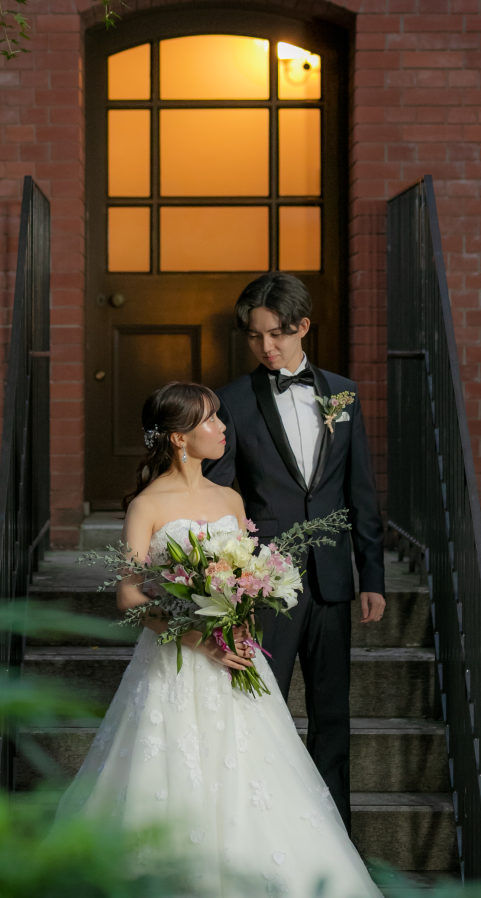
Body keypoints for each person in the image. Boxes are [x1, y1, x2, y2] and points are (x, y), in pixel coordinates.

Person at [55, 381, 381, 898]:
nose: (223, 427)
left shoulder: (230, 498)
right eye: (210, 419)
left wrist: (247, 609)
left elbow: (248, 574)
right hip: (176, 664)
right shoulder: (147, 506)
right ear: (180, 439)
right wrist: (195, 638)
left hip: (237, 659)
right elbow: (129, 596)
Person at [203, 271, 386, 832]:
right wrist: (229, 587)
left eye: (277, 335)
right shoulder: (232, 400)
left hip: (332, 579)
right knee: (264, 712)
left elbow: (360, 489)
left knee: (332, 716)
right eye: (255, 337)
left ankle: (334, 838)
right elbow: (222, 498)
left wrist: (371, 575)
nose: (266, 347)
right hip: (266, 583)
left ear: (303, 326)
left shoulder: (342, 394)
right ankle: (264, 832)